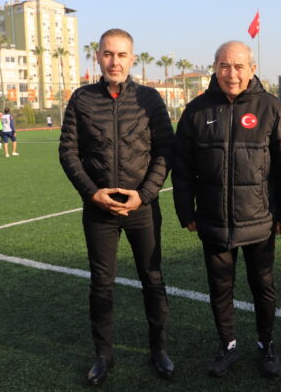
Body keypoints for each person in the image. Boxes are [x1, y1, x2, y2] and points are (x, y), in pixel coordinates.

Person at [59, 28, 175, 386]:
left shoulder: (149, 99)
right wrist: (92, 193)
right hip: (99, 210)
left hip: (142, 208)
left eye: (122, 55)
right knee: (101, 284)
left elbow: (165, 150)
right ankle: (103, 355)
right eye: (108, 54)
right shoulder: (81, 99)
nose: (115, 61)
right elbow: (68, 152)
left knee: (152, 279)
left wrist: (145, 194)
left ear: (132, 59)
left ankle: (159, 350)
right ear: (97, 57)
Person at [172, 41, 281, 378]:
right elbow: (182, 168)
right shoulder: (196, 110)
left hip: (260, 221)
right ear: (215, 67)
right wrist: (186, 212)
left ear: (252, 69)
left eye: (239, 66)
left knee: (263, 287)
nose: (232, 74)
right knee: (220, 289)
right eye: (225, 66)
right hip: (213, 221)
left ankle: (266, 344)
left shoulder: (271, 108)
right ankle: (227, 345)